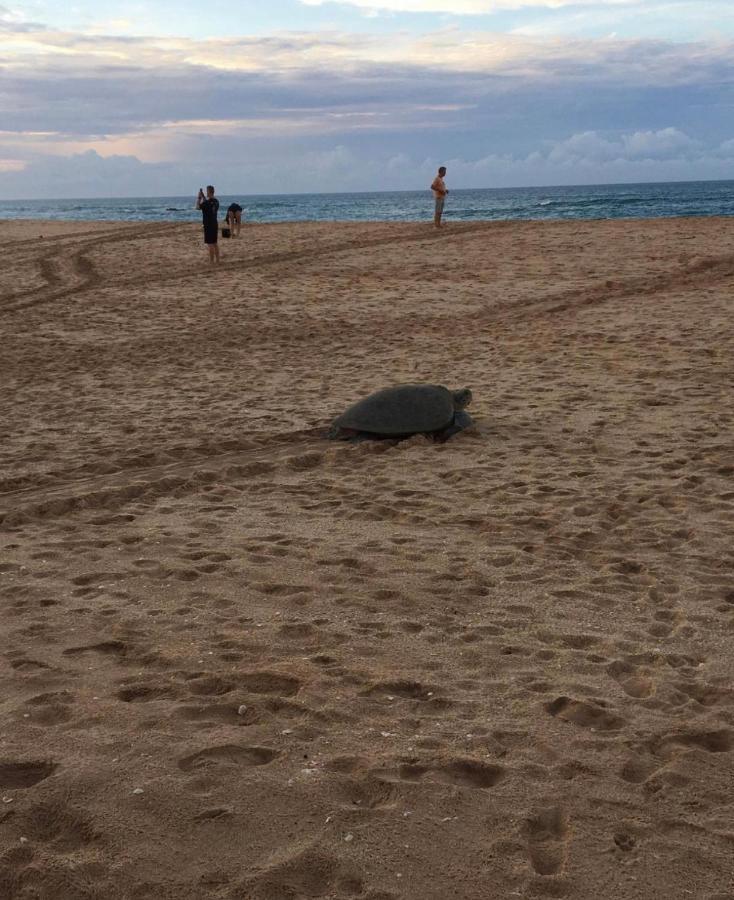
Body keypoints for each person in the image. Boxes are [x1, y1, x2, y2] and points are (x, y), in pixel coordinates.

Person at [196, 185, 220, 263]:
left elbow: (197, 207)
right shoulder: (216, 201)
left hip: (208, 224)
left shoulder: (206, 202)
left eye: (207, 192)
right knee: (215, 243)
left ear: (209, 192)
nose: (206, 193)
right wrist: (204, 198)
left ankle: (211, 261)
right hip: (214, 223)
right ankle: (217, 260)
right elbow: (210, 205)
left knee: (210, 244)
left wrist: (199, 198)